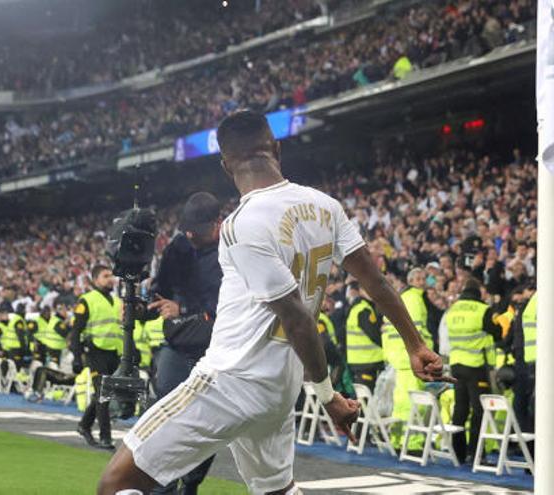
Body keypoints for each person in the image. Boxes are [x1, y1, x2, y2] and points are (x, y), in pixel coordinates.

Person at [98, 110, 449, 495]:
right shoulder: (325, 206)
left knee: (116, 484)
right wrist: (415, 344)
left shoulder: (241, 223)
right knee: (277, 490)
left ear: (225, 164)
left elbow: (297, 318)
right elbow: (375, 281)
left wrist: (328, 397)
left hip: (230, 379)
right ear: (276, 149)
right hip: (279, 390)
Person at [143, 191, 223, 495]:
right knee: (162, 420)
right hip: (177, 345)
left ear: (216, 225)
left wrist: (185, 311)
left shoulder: (232, 252)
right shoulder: (178, 247)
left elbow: (226, 311)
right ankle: (162, 488)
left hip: (214, 352)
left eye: (196, 233)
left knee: (208, 429)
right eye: (186, 231)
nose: (190, 237)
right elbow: (160, 291)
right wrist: (142, 307)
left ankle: (190, 485)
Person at [443, 278, 502, 464]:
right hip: (476, 366)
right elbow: (497, 332)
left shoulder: (453, 309)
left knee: (460, 409)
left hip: (456, 365)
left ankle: (458, 453)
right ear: (478, 291)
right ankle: (476, 453)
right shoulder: (482, 310)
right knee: (479, 410)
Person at [381, 267, 438, 451]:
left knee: (401, 404)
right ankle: (412, 443)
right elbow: (417, 332)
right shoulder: (415, 299)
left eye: (424, 278)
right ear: (412, 280)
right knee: (416, 404)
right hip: (412, 359)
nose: (422, 282)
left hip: (400, 358)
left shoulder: (402, 297)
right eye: (419, 279)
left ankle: (398, 440)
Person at [73, 264, 123, 451]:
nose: (110, 279)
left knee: (103, 393)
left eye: (111, 275)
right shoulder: (86, 300)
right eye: (105, 276)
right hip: (95, 352)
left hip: (113, 353)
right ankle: (105, 437)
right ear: (95, 280)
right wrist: (77, 357)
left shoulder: (118, 302)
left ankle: (84, 425)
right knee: (104, 394)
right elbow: (76, 331)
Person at [345, 282, 385, 389]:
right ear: (361, 291)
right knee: (370, 400)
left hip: (361, 361)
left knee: (364, 399)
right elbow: (375, 335)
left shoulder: (357, 307)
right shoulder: (364, 310)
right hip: (369, 362)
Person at [511, 290, 536, 433]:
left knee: (522, 399)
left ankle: (524, 440)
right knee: (529, 401)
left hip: (525, 357)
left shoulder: (525, 308)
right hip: (532, 359)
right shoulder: (538, 303)